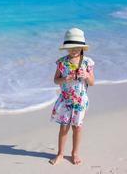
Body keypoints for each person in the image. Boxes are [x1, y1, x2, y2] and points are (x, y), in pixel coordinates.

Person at [49, 28, 95, 165]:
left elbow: (92, 83)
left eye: (76, 47)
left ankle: (74, 153)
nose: (73, 50)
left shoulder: (87, 62)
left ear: (82, 48)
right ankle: (60, 154)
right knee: (64, 127)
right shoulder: (62, 62)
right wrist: (65, 79)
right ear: (66, 48)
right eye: (70, 48)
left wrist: (87, 76)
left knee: (77, 127)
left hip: (80, 100)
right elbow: (56, 80)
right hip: (65, 100)